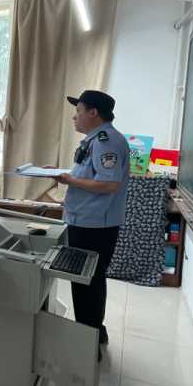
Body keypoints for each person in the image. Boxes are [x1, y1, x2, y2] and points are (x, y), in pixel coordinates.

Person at [53, 90, 129, 362]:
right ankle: (95, 332)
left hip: (94, 226)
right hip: (86, 221)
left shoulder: (107, 141)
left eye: (79, 111)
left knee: (86, 283)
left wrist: (69, 181)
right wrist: (63, 175)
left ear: (93, 112)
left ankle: (86, 346)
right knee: (91, 281)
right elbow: (91, 175)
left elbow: (109, 184)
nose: (75, 117)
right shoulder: (96, 140)